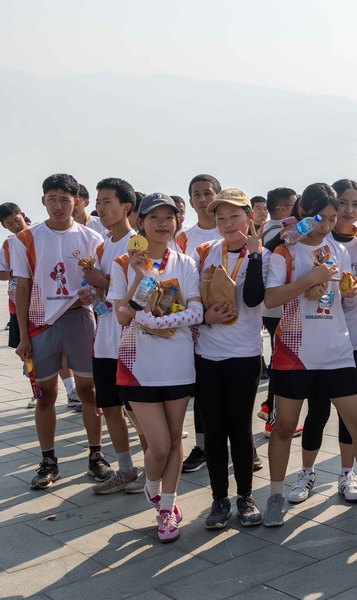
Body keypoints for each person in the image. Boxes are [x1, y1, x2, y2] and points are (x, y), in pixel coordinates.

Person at [262, 183, 357, 526]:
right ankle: (275, 496)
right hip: (294, 353)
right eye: (319, 218)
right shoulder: (285, 252)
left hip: (337, 352)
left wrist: (350, 295)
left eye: (332, 218)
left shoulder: (337, 250)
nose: (326, 225)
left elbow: (346, 300)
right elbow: (271, 299)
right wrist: (310, 279)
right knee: (284, 427)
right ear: (303, 214)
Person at [109, 193, 203, 542]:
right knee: (159, 445)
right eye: (154, 217)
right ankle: (152, 486)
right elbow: (123, 316)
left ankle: (167, 508)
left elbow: (197, 311)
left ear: (178, 221)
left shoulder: (185, 262)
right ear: (141, 223)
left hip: (178, 364)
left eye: (169, 217)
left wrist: (159, 321)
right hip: (139, 366)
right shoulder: (123, 262)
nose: (162, 223)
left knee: (175, 441)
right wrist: (140, 275)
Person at [11, 173, 106, 489]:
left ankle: (96, 456)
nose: (58, 205)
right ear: (43, 201)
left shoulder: (91, 238)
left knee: (89, 392)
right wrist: (23, 337)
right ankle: (48, 461)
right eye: (52, 199)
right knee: (46, 395)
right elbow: (22, 289)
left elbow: (101, 284)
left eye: (65, 199)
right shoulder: (26, 238)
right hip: (41, 323)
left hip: (80, 320)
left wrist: (92, 294)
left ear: (76, 202)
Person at [286, 179, 357, 505]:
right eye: (342, 204)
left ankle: (346, 474)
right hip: (318, 342)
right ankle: (306, 472)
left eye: (356, 204)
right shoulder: (301, 242)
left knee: (349, 416)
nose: (348, 211)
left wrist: (351, 289)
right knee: (317, 411)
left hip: (355, 341)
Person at [192, 189, 265, 528]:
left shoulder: (263, 254)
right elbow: (192, 300)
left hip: (244, 354)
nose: (227, 223)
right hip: (207, 354)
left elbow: (252, 299)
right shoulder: (205, 251)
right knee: (213, 431)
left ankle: (245, 496)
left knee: (240, 429)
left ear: (249, 217)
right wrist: (206, 318)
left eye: (234, 216)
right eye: (220, 218)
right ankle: (219, 499)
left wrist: (255, 255)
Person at [86, 177, 149, 495]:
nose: (100, 208)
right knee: (110, 407)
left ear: (126, 206)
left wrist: (101, 281)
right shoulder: (101, 245)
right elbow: (102, 296)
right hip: (104, 341)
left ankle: (153, 470)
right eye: (98, 202)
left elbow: (148, 287)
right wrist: (91, 291)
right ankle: (125, 469)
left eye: (106, 202)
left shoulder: (139, 244)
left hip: (132, 342)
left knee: (140, 411)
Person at [177, 174, 224, 474]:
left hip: (234, 323)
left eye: (208, 192)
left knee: (236, 390)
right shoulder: (184, 237)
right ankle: (202, 446)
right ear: (190, 201)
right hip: (199, 324)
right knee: (204, 390)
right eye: (197, 194)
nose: (203, 198)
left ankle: (242, 443)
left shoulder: (231, 230)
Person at [258, 187, 299, 424]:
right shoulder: (281, 233)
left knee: (277, 359)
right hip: (279, 308)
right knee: (281, 362)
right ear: (283, 209)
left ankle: (268, 406)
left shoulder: (265, 231)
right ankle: (274, 419)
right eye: (296, 205)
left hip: (271, 309)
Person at [0, 203, 32, 405]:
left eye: (17, 220)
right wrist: (13, 273)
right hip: (18, 303)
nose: (16, 226)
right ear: (4, 226)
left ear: (23, 215)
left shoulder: (39, 236)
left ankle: (70, 389)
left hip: (43, 303)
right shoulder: (8, 244)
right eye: (10, 224)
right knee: (26, 348)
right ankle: (35, 388)